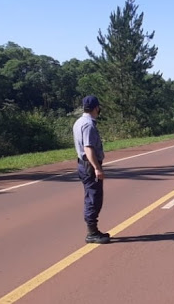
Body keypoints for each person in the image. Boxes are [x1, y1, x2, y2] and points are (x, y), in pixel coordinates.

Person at [73, 95, 110, 244]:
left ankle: (93, 230)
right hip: (89, 165)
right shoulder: (88, 125)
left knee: (91, 196)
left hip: (83, 164)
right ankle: (92, 233)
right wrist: (97, 168)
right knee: (94, 199)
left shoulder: (79, 122)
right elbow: (88, 148)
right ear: (96, 108)